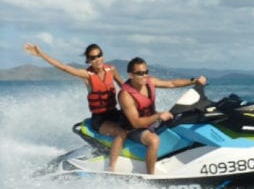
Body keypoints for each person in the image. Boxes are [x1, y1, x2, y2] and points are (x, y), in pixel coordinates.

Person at [25, 42, 128, 171]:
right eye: (93, 58)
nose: (97, 59)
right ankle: (112, 168)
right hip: (100, 119)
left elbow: (125, 88)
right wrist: (40, 54)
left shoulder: (111, 70)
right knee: (121, 133)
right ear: (88, 60)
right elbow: (62, 67)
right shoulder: (86, 75)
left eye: (99, 55)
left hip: (115, 113)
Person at [118, 57, 207, 175]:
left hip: (152, 121)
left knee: (181, 120)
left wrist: (195, 81)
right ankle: (151, 176)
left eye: (146, 72)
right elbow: (136, 123)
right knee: (153, 140)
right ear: (131, 75)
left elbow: (171, 83)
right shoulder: (126, 95)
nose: (144, 76)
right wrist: (158, 116)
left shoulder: (149, 82)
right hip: (133, 129)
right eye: (139, 73)